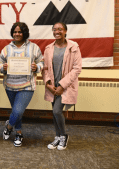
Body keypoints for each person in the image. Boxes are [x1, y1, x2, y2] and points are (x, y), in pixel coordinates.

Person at [0, 22, 43, 147]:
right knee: (17, 112)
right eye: (15, 32)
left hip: (27, 86)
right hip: (10, 85)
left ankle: (9, 126)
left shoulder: (34, 47)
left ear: (24, 33)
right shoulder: (7, 48)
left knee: (17, 111)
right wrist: (3, 67)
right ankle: (18, 133)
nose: (17, 34)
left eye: (20, 32)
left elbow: (42, 62)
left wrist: (37, 67)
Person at [42, 22, 82, 150]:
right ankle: (57, 136)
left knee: (57, 111)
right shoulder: (48, 48)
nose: (57, 31)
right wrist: (48, 83)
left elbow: (77, 69)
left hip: (65, 86)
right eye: (54, 29)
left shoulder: (73, 47)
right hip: (52, 87)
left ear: (65, 31)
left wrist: (62, 85)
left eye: (60, 29)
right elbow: (45, 68)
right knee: (54, 113)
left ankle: (64, 136)